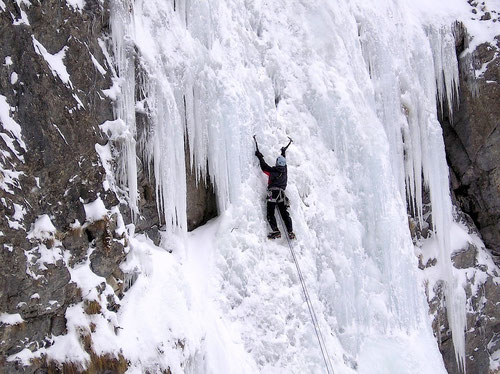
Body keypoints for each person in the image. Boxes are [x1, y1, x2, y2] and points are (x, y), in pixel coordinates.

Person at [255, 144, 295, 240]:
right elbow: (283, 160)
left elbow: (264, 167)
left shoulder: (273, 171)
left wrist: (260, 157)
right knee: (284, 213)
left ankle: (276, 231)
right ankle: (290, 232)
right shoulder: (285, 170)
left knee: (270, 212)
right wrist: (283, 152)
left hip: (273, 193)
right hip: (281, 194)